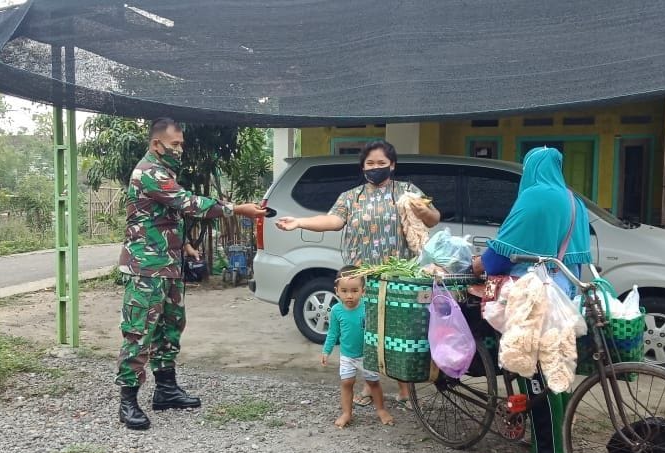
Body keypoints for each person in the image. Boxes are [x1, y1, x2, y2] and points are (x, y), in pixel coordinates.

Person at [116, 117, 266, 431]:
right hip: (146, 268)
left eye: (181, 144)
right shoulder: (148, 173)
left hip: (168, 265)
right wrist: (238, 209)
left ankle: (166, 390)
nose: (181, 150)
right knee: (139, 331)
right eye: (175, 144)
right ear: (156, 144)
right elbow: (187, 203)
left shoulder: (164, 171)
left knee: (171, 327)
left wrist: (184, 246)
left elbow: (161, 216)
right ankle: (127, 400)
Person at [276, 140, 441, 409]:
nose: (376, 168)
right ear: (363, 167)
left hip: (396, 276)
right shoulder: (351, 197)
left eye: (381, 163)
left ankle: (404, 388)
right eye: (370, 163)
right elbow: (333, 221)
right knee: (365, 332)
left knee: (398, 332)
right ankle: (369, 384)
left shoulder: (407, 192)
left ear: (393, 165)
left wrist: (426, 211)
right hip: (360, 278)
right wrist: (299, 222)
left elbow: (433, 218)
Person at [482, 146, 593, 453]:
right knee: (557, 371)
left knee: (534, 374)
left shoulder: (535, 197)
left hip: (536, 298)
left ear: (530, 167)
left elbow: (498, 257)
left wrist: (479, 263)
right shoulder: (574, 201)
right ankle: (559, 444)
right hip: (565, 296)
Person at [320, 266, 394, 428]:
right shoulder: (336, 310)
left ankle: (381, 409)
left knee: (373, 382)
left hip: (367, 354)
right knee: (347, 382)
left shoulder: (368, 306)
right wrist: (326, 350)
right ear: (337, 291)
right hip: (347, 355)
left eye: (354, 290)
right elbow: (333, 333)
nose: (349, 295)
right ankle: (347, 413)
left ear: (363, 291)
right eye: (344, 291)